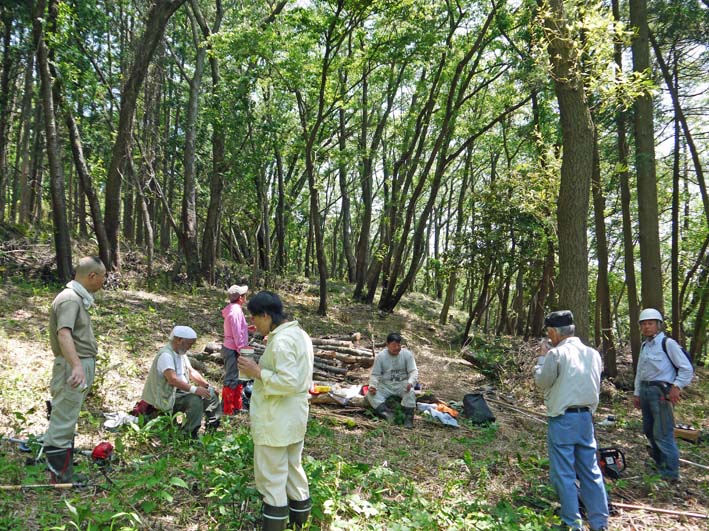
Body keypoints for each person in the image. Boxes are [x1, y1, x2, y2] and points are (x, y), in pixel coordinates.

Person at [238, 291, 314, 531]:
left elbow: (288, 381)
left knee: (272, 476)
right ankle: (300, 524)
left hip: (276, 418)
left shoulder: (281, 341)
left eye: (255, 318)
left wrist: (256, 371)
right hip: (294, 416)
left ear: (266, 315)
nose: (253, 324)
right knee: (293, 468)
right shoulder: (299, 335)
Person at [533, 310, 608, 531]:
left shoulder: (557, 355)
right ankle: (599, 522)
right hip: (586, 418)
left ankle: (572, 523)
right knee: (590, 471)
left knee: (564, 473)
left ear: (554, 332)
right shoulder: (593, 354)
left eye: (549, 332)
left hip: (563, 419)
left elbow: (542, 381)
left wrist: (542, 358)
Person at [44, 256, 106, 484]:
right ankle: (59, 478)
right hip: (72, 365)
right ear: (92, 276)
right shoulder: (70, 299)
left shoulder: (78, 298)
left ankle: (63, 472)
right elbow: (64, 333)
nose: (104, 281)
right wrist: (77, 366)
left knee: (68, 416)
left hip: (78, 363)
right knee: (63, 417)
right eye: (103, 276)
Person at [633, 308, 693, 482]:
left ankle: (670, 473)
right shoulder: (644, 345)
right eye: (643, 324)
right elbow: (640, 371)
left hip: (661, 392)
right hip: (645, 390)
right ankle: (660, 465)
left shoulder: (668, 344)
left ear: (658, 325)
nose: (647, 327)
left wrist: (677, 386)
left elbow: (686, 368)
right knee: (649, 430)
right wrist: (637, 393)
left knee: (663, 432)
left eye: (650, 323)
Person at [140, 326, 220, 438]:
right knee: (195, 400)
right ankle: (188, 434)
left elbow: (191, 372)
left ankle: (212, 427)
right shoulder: (166, 355)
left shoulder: (181, 353)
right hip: (167, 395)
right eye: (189, 344)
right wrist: (195, 390)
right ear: (179, 341)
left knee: (211, 394)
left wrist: (207, 386)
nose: (190, 347)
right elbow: (172, 380)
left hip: (181, 391)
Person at [366, 332, 418, 428]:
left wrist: (410, 382)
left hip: (402, 384)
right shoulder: (381, 356)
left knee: (410, 392)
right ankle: (388, 415)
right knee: (370, 395)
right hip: (386, 384)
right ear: (387, 345)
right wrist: (373, 386)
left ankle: (408, 418)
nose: (397, 348)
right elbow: (375, 374)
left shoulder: (407, 354)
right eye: (394, 345)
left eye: (398, 345)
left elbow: (413, 371)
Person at [221, 284, 249, 414]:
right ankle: (227, 409)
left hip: (232, 347)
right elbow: (237, 333)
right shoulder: (236, 311)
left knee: (237, 377)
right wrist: (242, 349)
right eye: (244, 295)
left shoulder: (232, 309)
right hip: (233, 349)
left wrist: (247, 328)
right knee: (231, 378)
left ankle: (236, 406)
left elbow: (236, 329)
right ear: (241, 298)